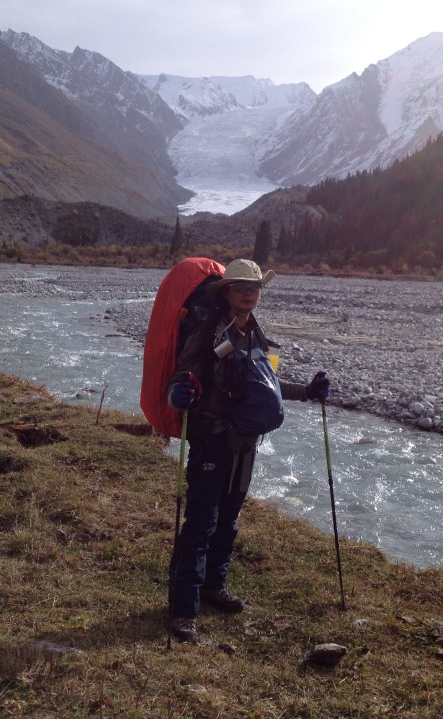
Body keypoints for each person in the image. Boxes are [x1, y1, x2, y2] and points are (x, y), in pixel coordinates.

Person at [165, 259, 330, 643]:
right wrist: (179, 395)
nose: (248, 292)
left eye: (254, 287)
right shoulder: (208, 332)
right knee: (201, 522)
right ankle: (183, 608)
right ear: (226, 292)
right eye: (240, 287)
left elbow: (267, 384)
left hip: (244, 443)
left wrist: (306, 390)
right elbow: (181, 379)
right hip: (212, 438)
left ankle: (212, 586)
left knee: (228, 519)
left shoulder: (257, 334)